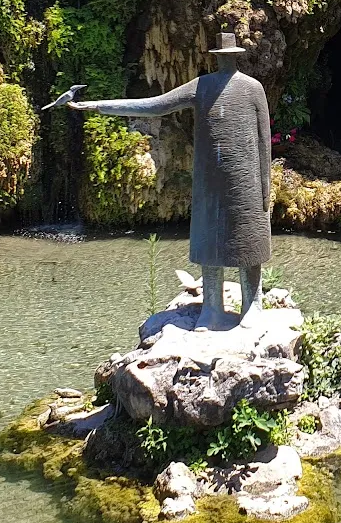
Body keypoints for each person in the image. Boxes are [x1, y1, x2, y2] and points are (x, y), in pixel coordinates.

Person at [67, 32, 271, 330]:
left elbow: (264, 139)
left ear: (234, 56)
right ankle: (212, 307)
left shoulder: (252, 88)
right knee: (210, 234)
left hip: (246, 176)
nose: (224, 60)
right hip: (209, 176)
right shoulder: (201, 86)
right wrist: (98, 105)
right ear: (217, 56)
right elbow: (155, 105)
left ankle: (252, 303)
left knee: (248, 237)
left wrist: (265, 185)